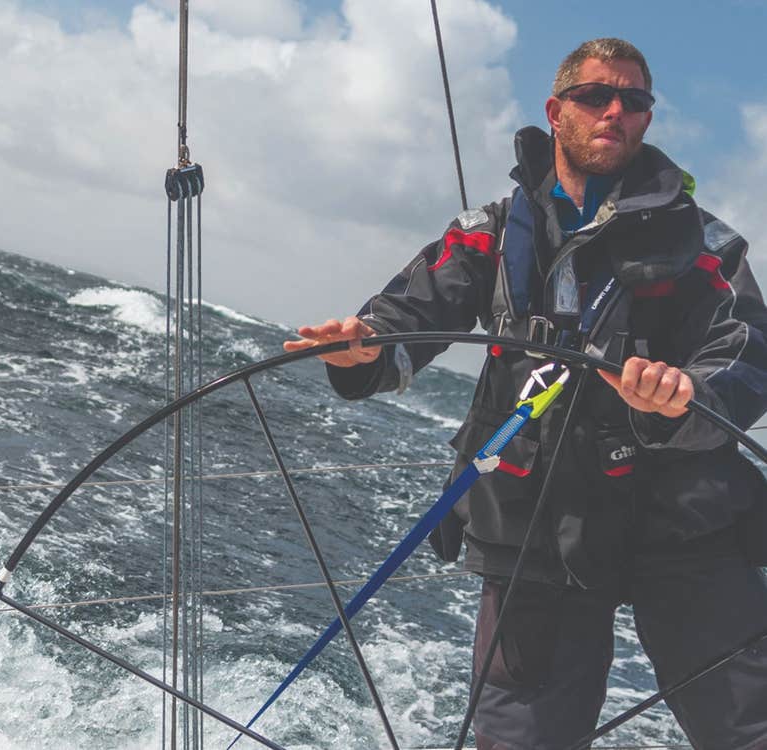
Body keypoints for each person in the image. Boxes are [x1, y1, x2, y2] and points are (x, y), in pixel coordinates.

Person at [286, 38, 767, 749]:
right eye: (596, 96)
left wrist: (686, 393)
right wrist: (365, 347)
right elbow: (411, 315)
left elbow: (749, 351)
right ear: (556, 111)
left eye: (635, 101)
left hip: (684, 522)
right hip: (537, 520)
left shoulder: (705, 244)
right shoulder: (494, 232)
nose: (616, 112)